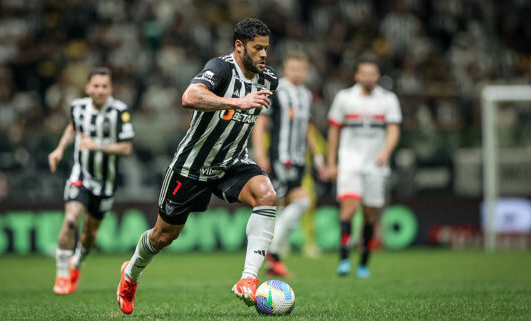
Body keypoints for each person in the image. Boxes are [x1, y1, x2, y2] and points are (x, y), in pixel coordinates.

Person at [116, 18, 279, 314]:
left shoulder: (270, 81)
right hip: (192, 165)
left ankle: (248, 279)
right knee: (163, 236)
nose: (264, 55)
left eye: (266, 48)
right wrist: (237, 103)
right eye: (257, 48)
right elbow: (189, 97)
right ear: (239, 46)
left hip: (232, 161)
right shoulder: (220, 68)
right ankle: (130, 274)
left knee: (267, 195)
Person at [48, 67, 134, 294]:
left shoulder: (120, 112)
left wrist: (97, 146)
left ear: (111, 89)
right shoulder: (77, 107)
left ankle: (77, 264)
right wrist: (59, 149)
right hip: (80, 176)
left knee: (89, 233)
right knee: (70, 220)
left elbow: (126, 148)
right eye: (96, 86)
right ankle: (62, 275)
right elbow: (72, 127)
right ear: (87, 88)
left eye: (104, 86)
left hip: (105, 183)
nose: (100, 90)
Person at [251, 51, 327, 277]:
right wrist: (260, 153)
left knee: (283, 207)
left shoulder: (305, 94)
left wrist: (319, 158)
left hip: (300, 158)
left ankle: (273, 260)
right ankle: (273, 253)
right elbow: (260, 122)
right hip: (281, 157)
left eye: (302, 69)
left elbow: (307, 129)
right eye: (293, 68)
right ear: (286, 69)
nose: (298, 73)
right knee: (302, 201)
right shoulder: (278, 90)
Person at [326, 59, 401, 278]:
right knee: (349, 208)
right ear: (357, 76)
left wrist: (385, 152)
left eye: (372, 74)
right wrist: (332, 162)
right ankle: (344, 259)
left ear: (377, 76)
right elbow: (333, 129)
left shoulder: (388, 99)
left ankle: (364, 263)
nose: (368, 77)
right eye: (364, 73)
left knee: (370, 214)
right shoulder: (344, 97)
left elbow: (394, 130)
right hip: (350, 161)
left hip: (375, 164)